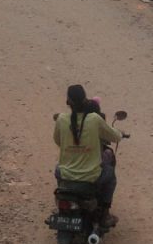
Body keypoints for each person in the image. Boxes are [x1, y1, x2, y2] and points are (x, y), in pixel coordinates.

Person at [53, 84, 123, 228]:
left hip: (66, 175)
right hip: (92, 177)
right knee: (110, 175)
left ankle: (62, 202)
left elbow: (58, 141)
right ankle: (105, 213)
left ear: (68, 102)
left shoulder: (61, 119)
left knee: (58, 169)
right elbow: (114, 136)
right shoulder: (94, 119)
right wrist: (120, 133)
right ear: (85, 100)